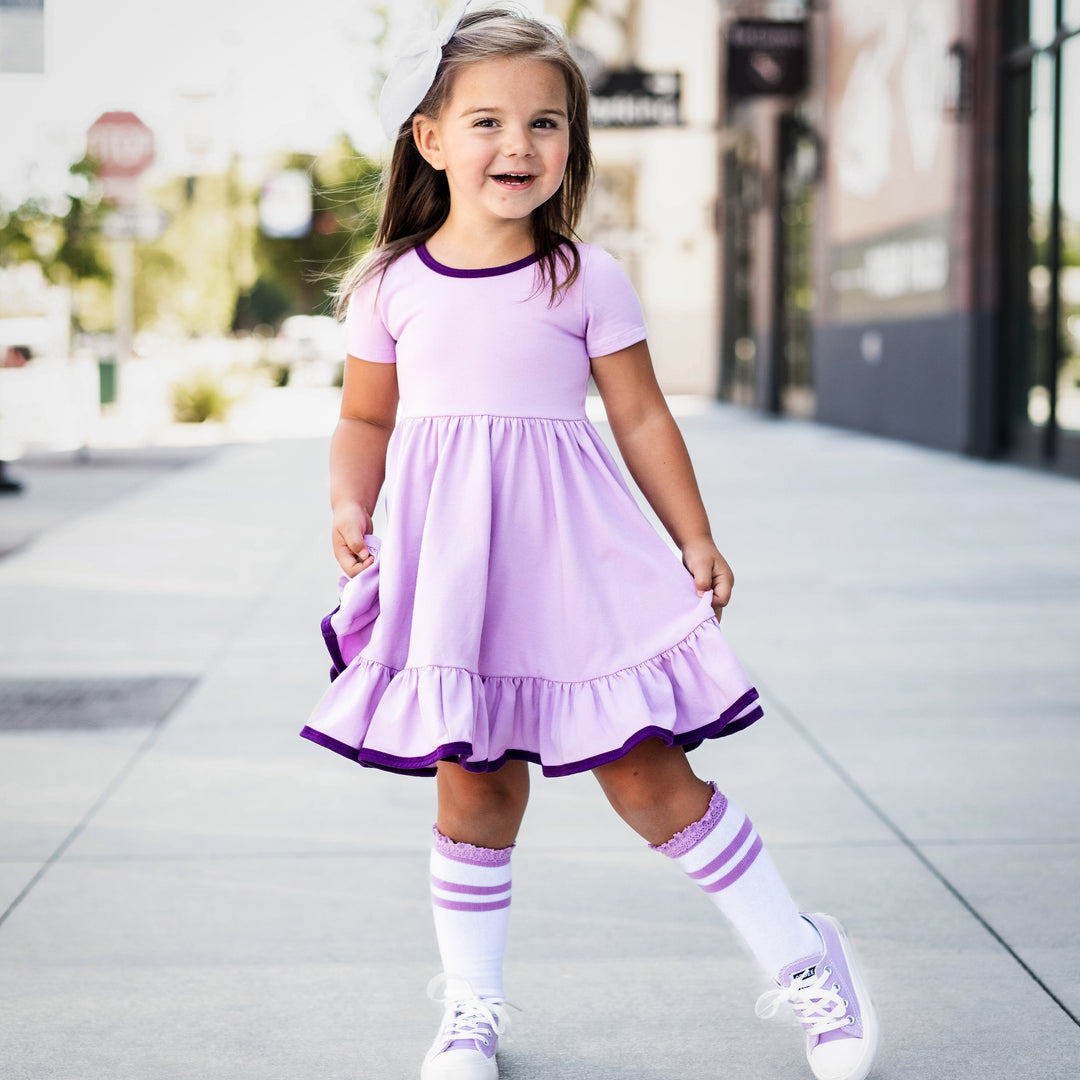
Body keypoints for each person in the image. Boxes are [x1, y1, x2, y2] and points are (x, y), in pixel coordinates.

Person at [301, 5, 879, 1080]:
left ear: (572, 142)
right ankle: (470, 1009)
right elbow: (365, 419)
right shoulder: (392, 285)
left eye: (544, 123)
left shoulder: (584, 279)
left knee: (650, 777)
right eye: (486, 122)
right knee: (472, 786)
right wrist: (349, 503)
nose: (517, 145)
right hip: (456, 577)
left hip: (576, 568)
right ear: (428, 138)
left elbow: (644, 417)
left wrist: (694, 536)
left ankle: (807, 963)